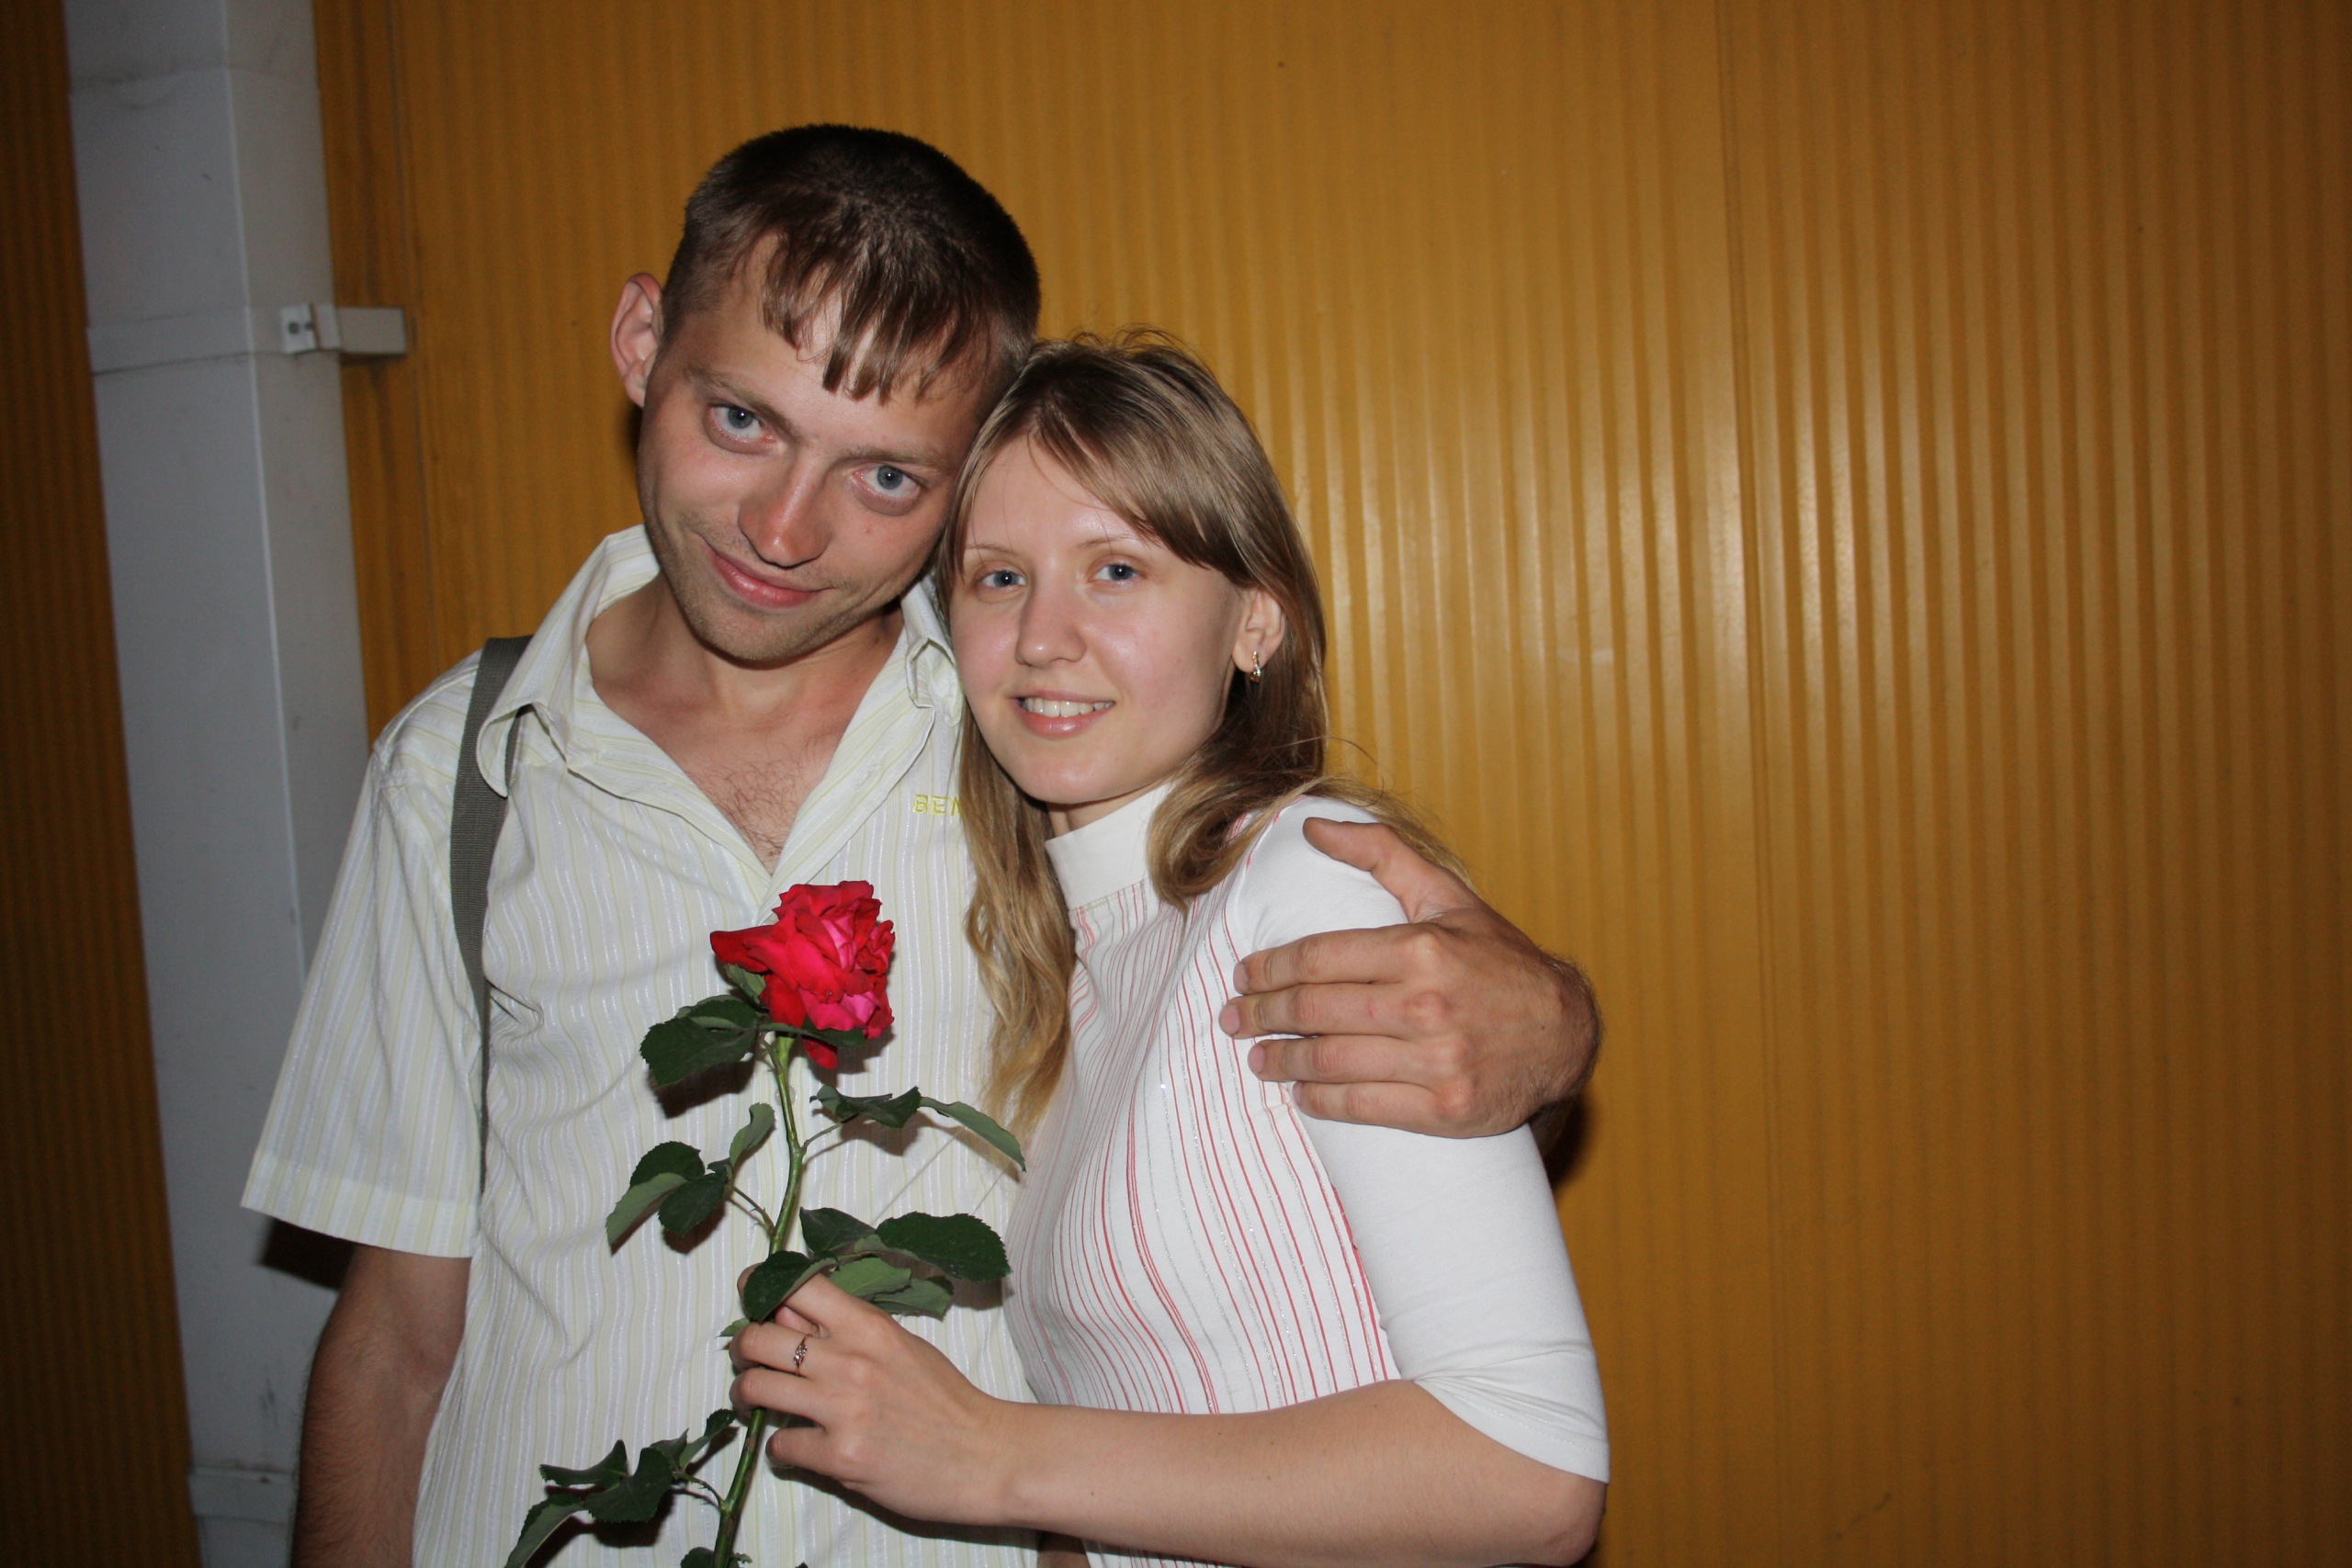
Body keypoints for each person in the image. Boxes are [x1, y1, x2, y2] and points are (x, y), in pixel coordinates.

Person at [246, 126, 1600, 1568]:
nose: (783, 528)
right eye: (742, 419)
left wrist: (1559, 1023)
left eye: (887, 478)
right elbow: (394, 1339)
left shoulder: (1037, 739)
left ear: (961, 478)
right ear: (643, 343)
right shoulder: (462, 771)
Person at [730, 336, 1607, 1567]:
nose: (1044, 636)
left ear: (1255, 622)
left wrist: (991, 1454)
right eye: (998, 578)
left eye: (1117, 570)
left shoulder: (1304, 889)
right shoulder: (1077, 968)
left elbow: (1530, 1472)